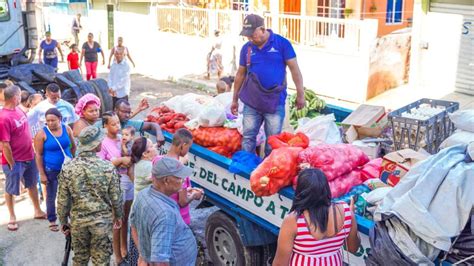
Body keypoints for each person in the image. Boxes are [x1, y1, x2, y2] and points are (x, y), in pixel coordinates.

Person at [231, 14, 305, 156]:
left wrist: (300, 94)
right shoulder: (246, 49)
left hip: (274, 103)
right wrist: (234, 99)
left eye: (252, 34)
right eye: (247, 36)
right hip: (251, 103)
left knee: (272, 142)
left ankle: (267, 173)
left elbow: (295, 70)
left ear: (262, 29)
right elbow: (240, 74)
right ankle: (247, 168)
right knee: (248, 138)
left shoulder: (282, 44)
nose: (250, 38)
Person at [57, 126, 123, 265]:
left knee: (80, 259)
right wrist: (118, 216)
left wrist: (63, 223)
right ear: (96, 144)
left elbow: (63, 201)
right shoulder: (107, 167)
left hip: (78, 223)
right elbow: (116, 197)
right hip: (102, 223)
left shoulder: (68, 168)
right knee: (102, 260)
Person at [272, 168, 360, 265]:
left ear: (300, 192)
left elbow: (280, 263)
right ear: (326, 188)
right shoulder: (346, 211)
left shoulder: (293, 220)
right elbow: (353, 248)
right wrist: (352, 218)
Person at [130, 157, 198, 266]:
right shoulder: (165, 215)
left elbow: (133, 226)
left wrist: (142, 254)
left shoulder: (143, 194)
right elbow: (160, 261)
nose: (184, 180)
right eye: (179, 178)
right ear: (166, 181)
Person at [0, 85, 46, 231]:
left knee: (32, 184)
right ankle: (12, 216)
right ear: (15, 98)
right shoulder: (3, 118)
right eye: (19, 96)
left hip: (29, 155)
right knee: (11, 189)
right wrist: (11, 163)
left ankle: (37, 210)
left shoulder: (18, 109)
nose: (21, 98)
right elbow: (5, 144)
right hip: (15, 160)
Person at [97, 112, 133, 264]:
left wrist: (127, 158)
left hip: (129, 181)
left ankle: (124, 246)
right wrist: (120, 161)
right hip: (115, 184)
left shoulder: (122, 138)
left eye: (118, 123)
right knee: (117, 220)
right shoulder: (103, 143)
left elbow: (132, 157)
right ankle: (117, 256)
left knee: (126, 217)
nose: (117, 126)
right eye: (113, 124)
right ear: (105, 126)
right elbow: (101, 166)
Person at [34, 108, 75, 232]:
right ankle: (52, 219)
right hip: (51, 169)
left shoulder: (66, 129)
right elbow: (39, 155)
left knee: (71, 192)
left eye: (53, 120)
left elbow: (73, 145)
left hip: (68, 167)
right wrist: (41, 173)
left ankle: (70, 215)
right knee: (51, 194)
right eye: (48, 121)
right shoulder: (42, 134)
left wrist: (73, 159)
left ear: (60, 119)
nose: (50, 123)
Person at [128, 136, 160, 265]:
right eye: (152, 146)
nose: (155, 147)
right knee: (143, 254)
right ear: (145, 154)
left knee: (138, 251)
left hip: (137, 211)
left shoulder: (141, 163)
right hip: (141, 214)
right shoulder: (147, 166)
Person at [167, 128, 203, 225]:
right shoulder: (180, 169)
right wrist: (195, 195)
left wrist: (188, 190)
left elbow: (171, 191)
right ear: (183, 145)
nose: (188, 151)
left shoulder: (159, 160)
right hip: (179, 220)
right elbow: (182, 202)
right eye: (189, 148)